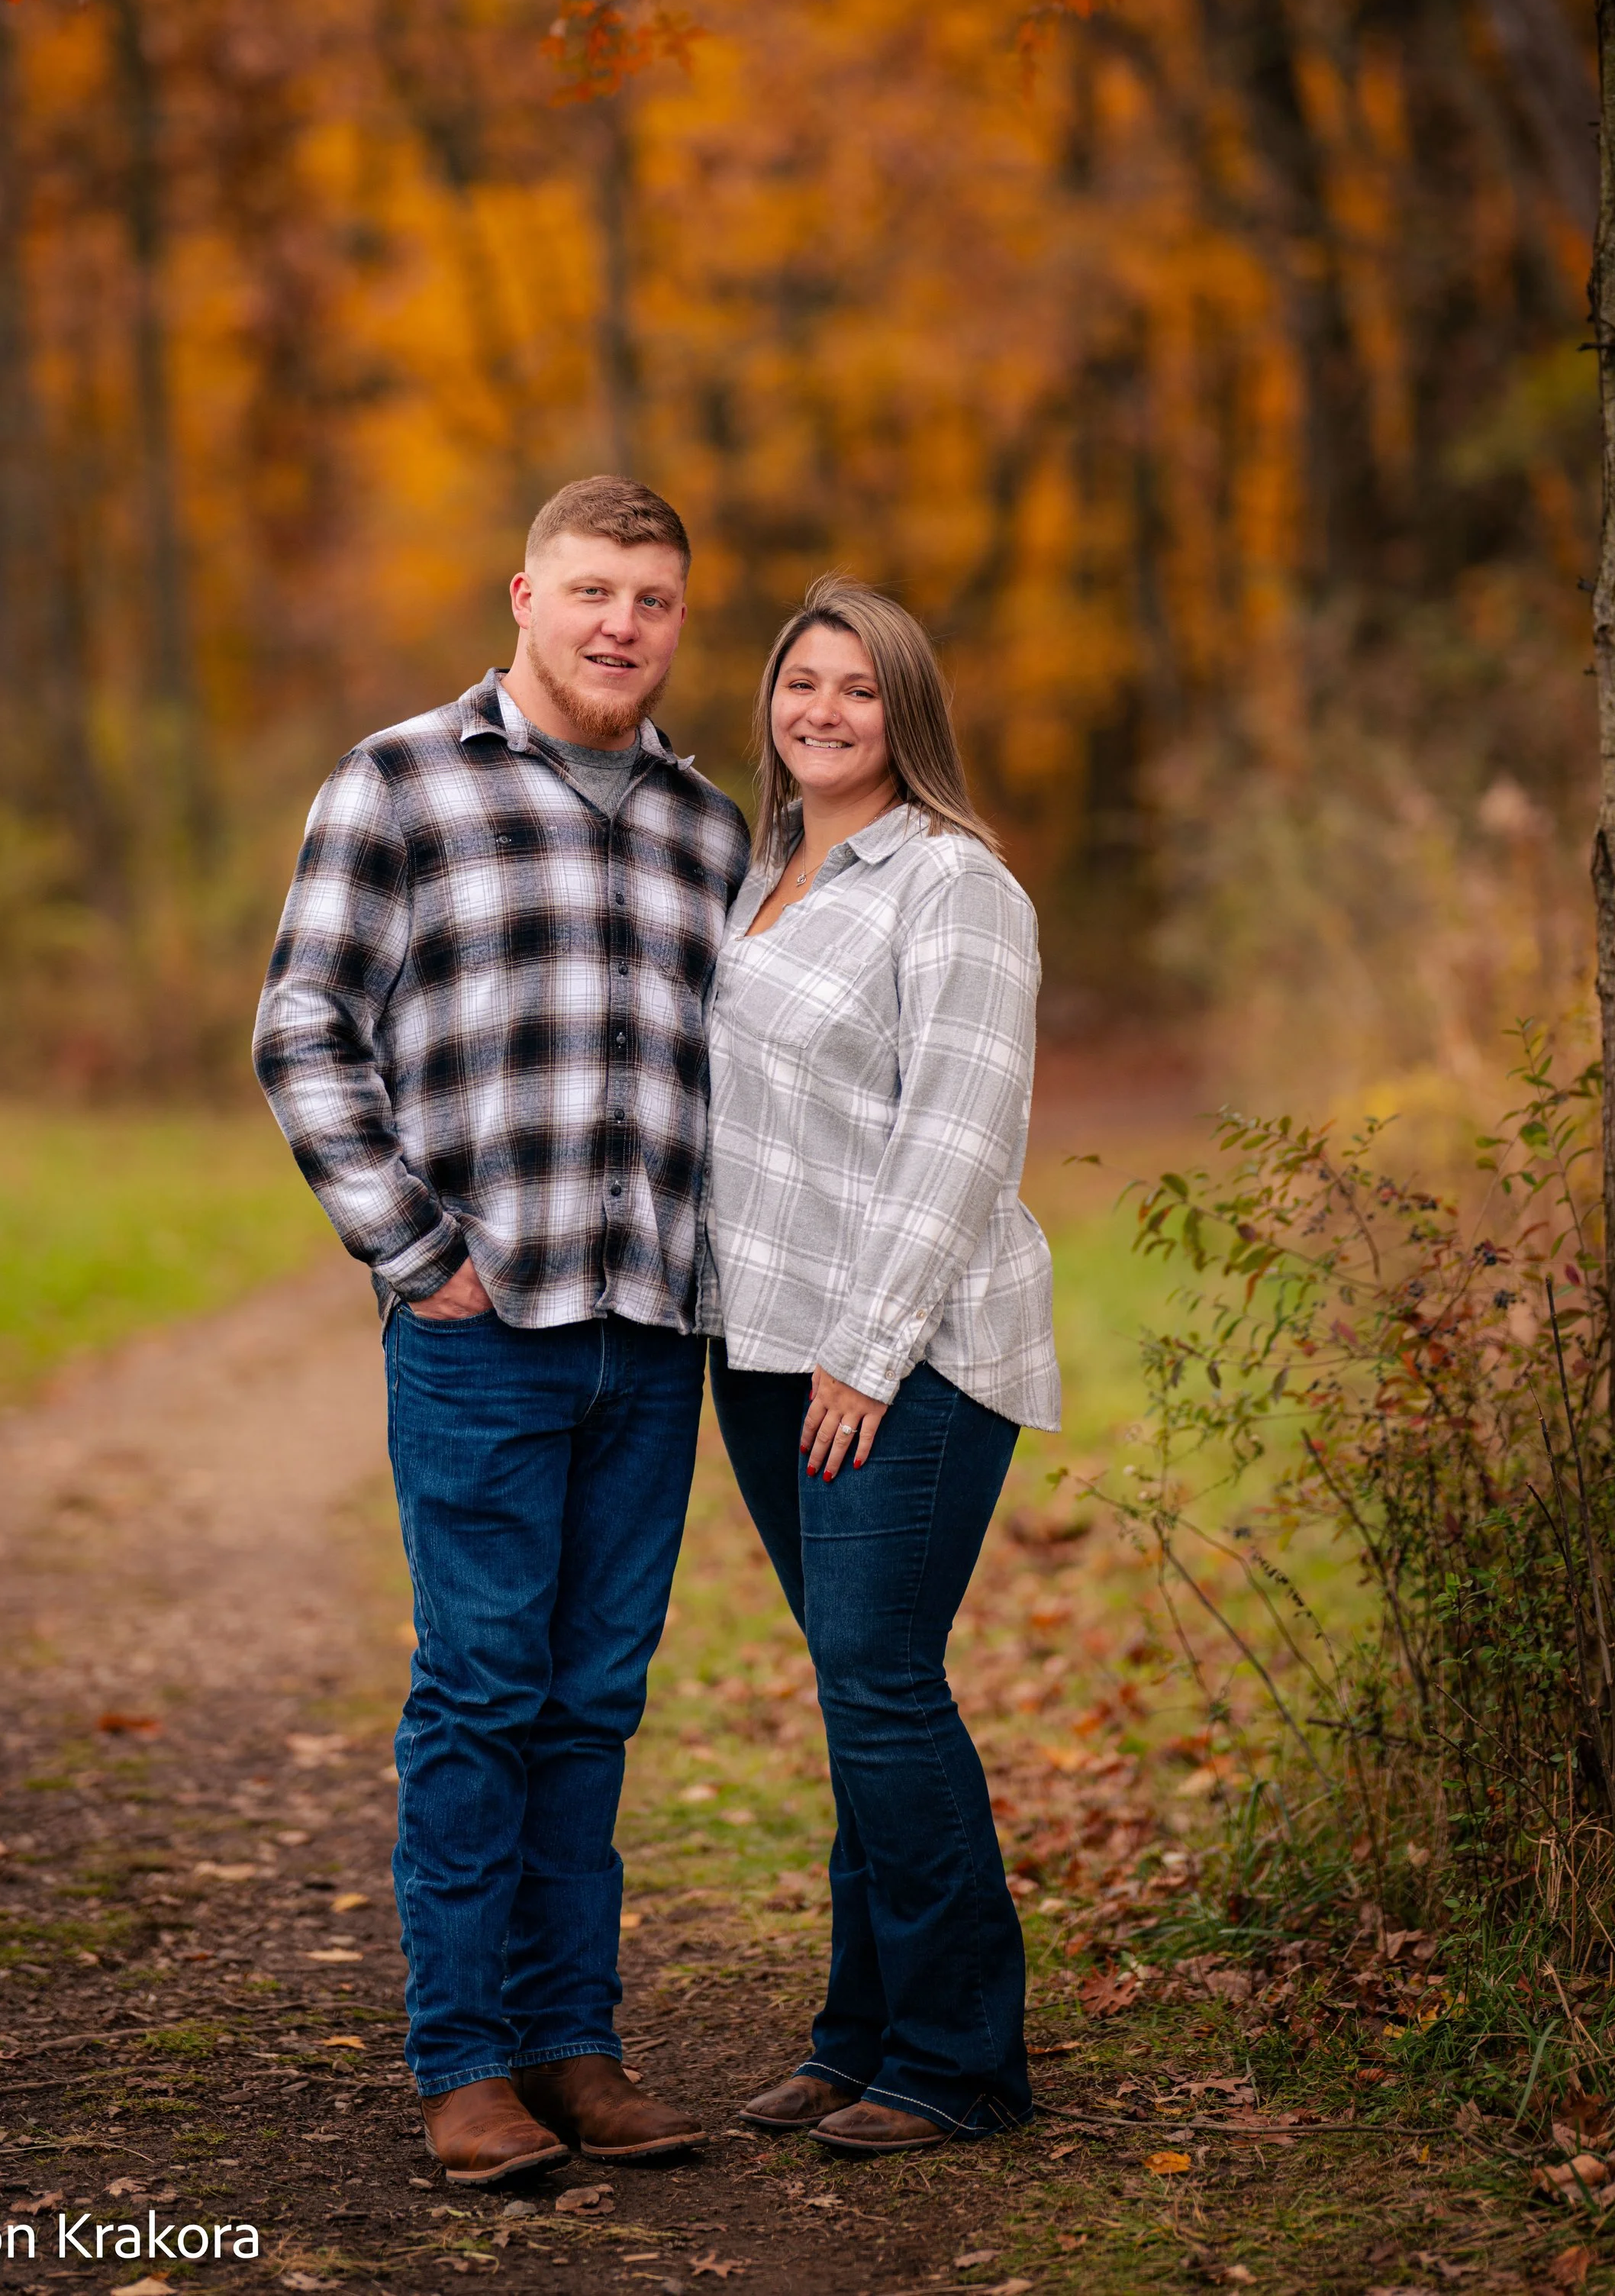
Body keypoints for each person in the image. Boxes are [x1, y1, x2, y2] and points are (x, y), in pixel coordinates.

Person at [253, 477, 749, 2188]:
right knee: (478, 1690)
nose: (623, 623)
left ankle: (572, 2042)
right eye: (594, 590)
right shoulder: (398, 783)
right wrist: (411, 1249)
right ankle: (464, 2064)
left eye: (656, 600)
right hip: (483, 1322)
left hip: (650, 1325)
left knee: (593, 1701)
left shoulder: (709, 827)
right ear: (522, 594)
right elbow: (303, 1027)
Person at [704, 576, 1056, 2157]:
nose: (822, 712)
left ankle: (960, 2057)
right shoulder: (766, 866)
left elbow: (961, 1136)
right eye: (800, 685)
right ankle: (855, 2038)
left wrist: (867, 1350)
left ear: (903, 711)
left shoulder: (952, 883)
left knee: (881, 1687)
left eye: (856, 688)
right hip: (759, 1342)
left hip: (899, 1353)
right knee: (855, 1697)